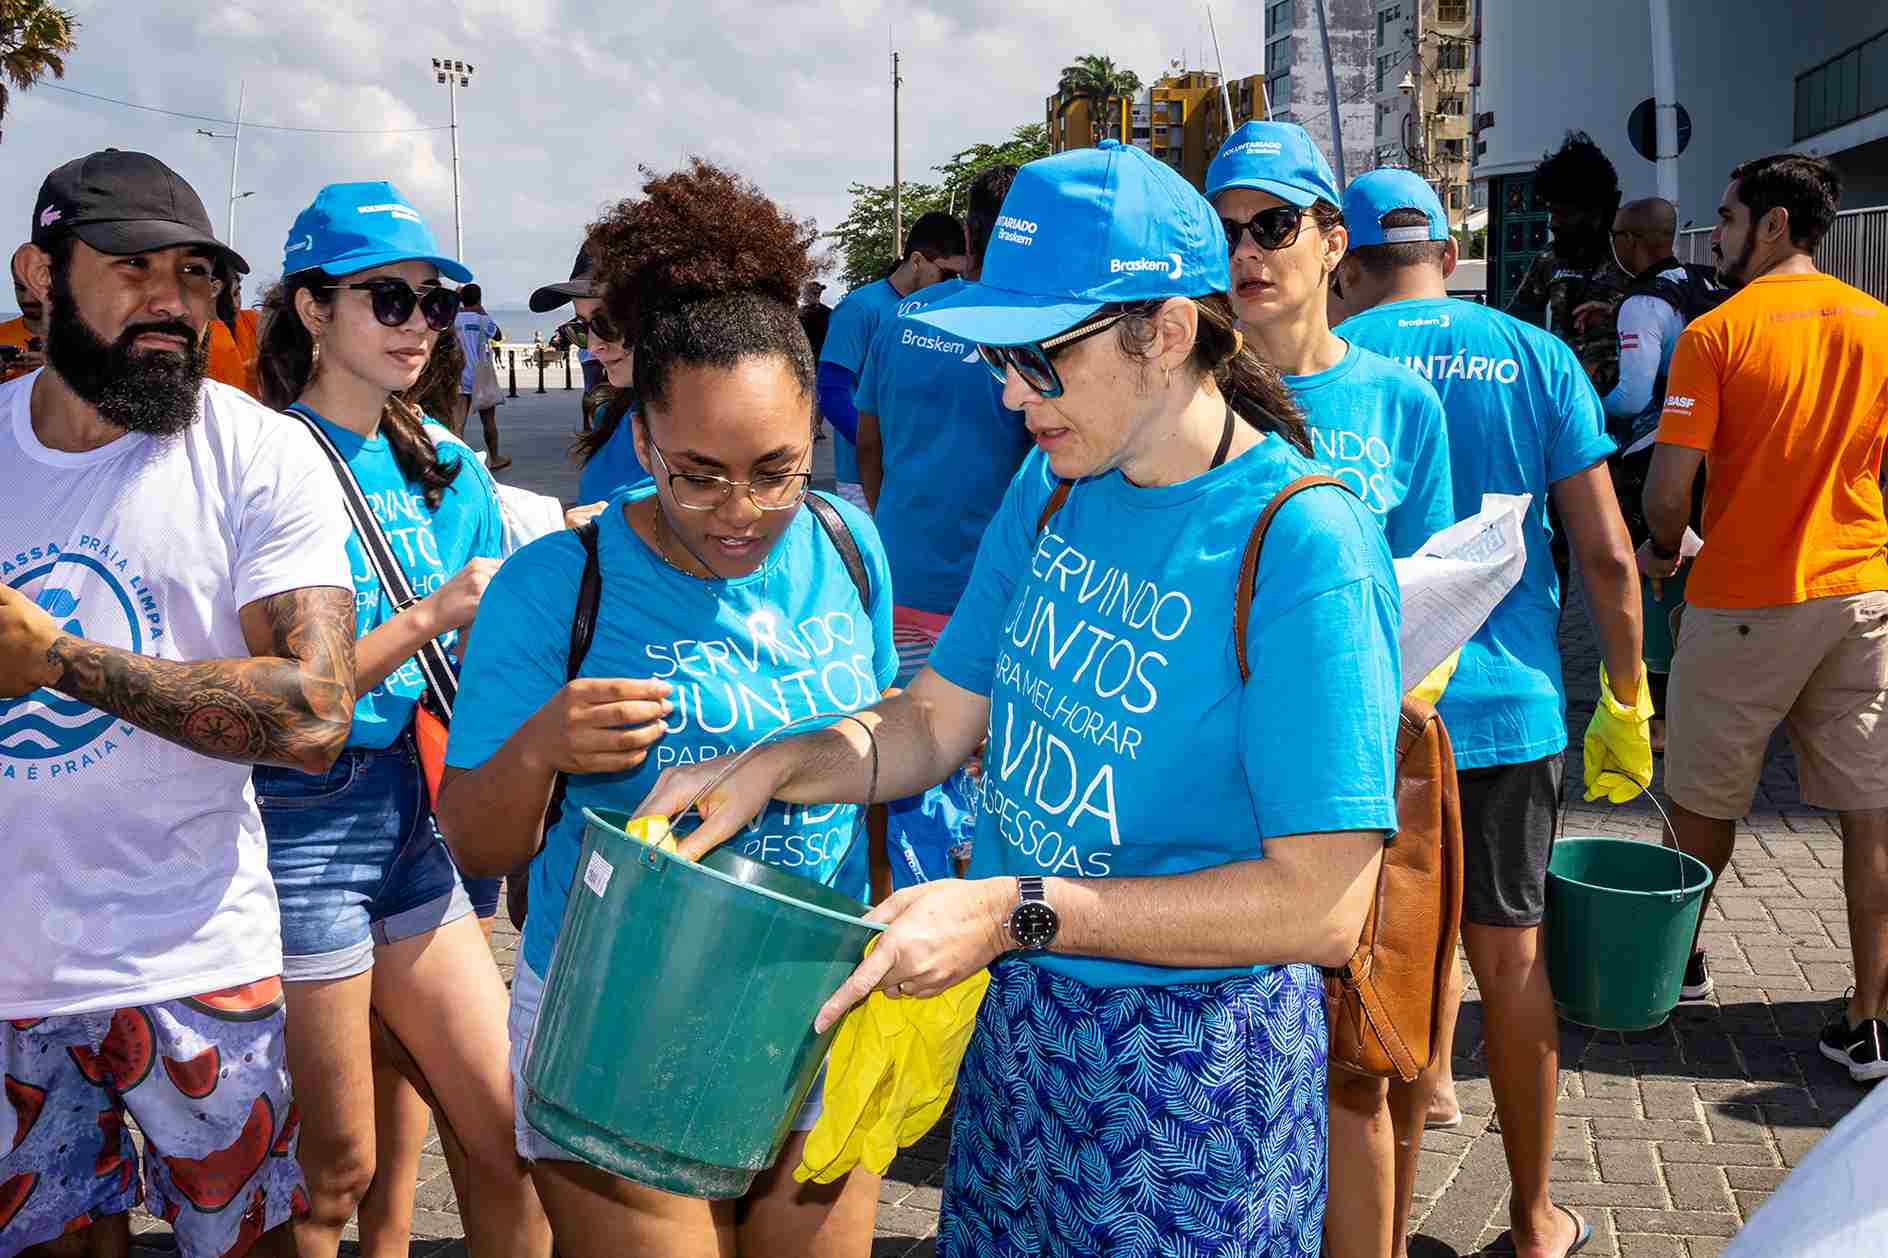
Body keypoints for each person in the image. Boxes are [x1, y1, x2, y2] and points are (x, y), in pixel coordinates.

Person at [637, 139, 1404, 1257]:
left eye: (1038, 358)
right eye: (1002, 356)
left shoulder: (1302, 541)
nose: (1008, 392)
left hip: (1188, 1065)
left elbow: (1323, 905)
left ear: (1167, 332)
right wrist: (778, 762)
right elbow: (937, 719)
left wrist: (1012, 907)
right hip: (1020, 1025)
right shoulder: (1053, 485)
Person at [435, 158, 894, 1258]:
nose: (742, 513)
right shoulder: (560, 584)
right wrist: (544, 745)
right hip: (618, 1020)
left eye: (777, 469)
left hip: (813, 1006)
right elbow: (479, 841)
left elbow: (877, 757)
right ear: (640, 442)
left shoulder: (844, 542)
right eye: (697, 474)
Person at [0, 149, 359, 1257]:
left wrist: (58, 659)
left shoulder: (260, 455)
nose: (174, 302)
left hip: (199, 962)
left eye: (197, 275)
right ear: (41, 276)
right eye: (133, 267)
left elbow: (310, 713)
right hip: (12, 973)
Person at [1337, 168, 1647, 1258]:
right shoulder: (1535, 354)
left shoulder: (1335, 367)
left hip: (1374, 718)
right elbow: (1606, 553)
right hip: (1510, 713)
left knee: (1388, 966)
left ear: (1345, 253)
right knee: (1508, 963)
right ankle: (1531, 1219)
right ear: (1441, 251)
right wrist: (1626, 692)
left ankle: (1377, 1226)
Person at [251, 181, 549, 1258]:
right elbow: (288, 697)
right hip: (300, 819)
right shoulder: (260, 462)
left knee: (510, 1126)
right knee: (332, 1172)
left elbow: (480, 650)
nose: (422, 324)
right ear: (312, 309)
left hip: (412, 809)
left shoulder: (447, 463)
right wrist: (435, 609)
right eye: (390, 299)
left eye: (437, 300)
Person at [1207, 122, 1455, 1258]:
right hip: (1207, 777)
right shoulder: (1184, 389)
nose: (1246, 253)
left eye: (1271, 225)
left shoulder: (1402, 402)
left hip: (1350, 775)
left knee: (1355, 1064)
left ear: (1330, 239)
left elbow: (1451, 572)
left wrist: (1407, 674)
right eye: (1222, 231)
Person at [1640, 154, 1888, 1082]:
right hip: (1859, 594)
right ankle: (1871, 1016)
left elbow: (1669, 493)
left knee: (1703, 802)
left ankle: (1673, 967)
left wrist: (1669, 548)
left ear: (1774, 225)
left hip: (1743, 599)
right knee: (1873, 813)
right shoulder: (1879, 325)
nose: (1721, 233)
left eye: (1729, 216)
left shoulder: (1717, 333)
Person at [1596, 196, 1723, 755]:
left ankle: (1663, 717)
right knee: (1700, 574)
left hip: (1662, 451)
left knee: (1654, 572)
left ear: (1629, 241)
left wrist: (1589, 406)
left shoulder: (1645, 303)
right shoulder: (1708, 283)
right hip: (1721, 452)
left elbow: (1633, 394)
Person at [817, 211, 967, 510]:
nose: (954, 283)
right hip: (863, 478)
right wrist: (880, 445)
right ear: (917, 261)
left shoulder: (942, 312)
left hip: (922, 474)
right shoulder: (860, 308)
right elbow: (832, 393)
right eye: (947, 274)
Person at [532, 244, 651, 504]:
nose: (594, 346)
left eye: (607, 323)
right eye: (582, 327)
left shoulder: (699, 426)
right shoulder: (611, 413)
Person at [452, 282, 508, 470]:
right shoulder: (484, 321)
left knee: (458, 423)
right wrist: (481, 309)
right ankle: (495, 458)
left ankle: (455, 461)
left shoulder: (453, 320)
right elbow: (498, 335)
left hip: (459, 375)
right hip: (480, 377)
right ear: (479, 299)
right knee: (489, 421)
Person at [206, 271, 262, 397]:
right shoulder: (205, 336)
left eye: (236, 293)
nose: (235, 304)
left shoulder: (253, 320)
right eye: (224, 298)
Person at [1, 243, 48, 383]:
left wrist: (54, 368)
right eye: (20, 288)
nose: (27, 299)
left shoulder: (82, 338)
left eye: (34, 288)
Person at [800, 279, 831, 360]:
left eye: (817, 293)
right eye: (814, 293)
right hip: (808, 354)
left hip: (820, 355)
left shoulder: (828, 312)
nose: (817, 295)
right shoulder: (800, 313)